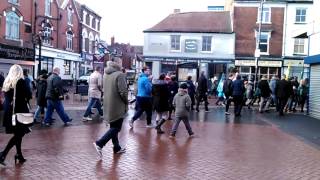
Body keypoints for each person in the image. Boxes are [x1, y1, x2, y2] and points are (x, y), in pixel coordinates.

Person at [93, 60, 128, 158]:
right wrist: (126, 102)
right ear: (118, 64)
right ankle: (100, 143)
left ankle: (116, 147)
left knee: (113, 126)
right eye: (120, 62)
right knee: (116, 127)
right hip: (118, 105)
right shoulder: (119, 75)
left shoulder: (105, 74)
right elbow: (123, 92)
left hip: (108, 104)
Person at [0, 64, 32, 166]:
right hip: (20, 111)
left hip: (9, 112)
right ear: (20, 72)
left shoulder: (7, 81)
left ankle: (19, 154)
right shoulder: (21, 81)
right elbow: (29, 95)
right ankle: (3, 154)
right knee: (19, 134)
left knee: (18, 134)